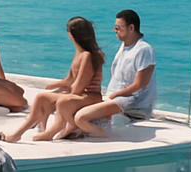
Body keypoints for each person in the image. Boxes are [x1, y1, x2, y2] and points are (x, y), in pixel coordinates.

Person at [47, 9, 158, 140]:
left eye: (118, 28)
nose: (114, 31)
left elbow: (141, 83)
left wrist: (117, 94)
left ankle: (105, 136)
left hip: (130, 101)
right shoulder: (124, 47)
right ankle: (82, 132)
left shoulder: (144, 50)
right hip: (116, 98)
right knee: (71, 109)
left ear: (131, 28)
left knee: (80, 117)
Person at [1, 16, 103, 142]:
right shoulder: (79, 53)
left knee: (63, 100)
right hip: (80, 95)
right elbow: (70, 79)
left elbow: (78, 88)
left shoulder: (87, 56)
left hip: (91, 97)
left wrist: (61, 93)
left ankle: (55, 130)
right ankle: (20, 132)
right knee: (41, 97)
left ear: (73, 35)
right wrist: (54, 86)